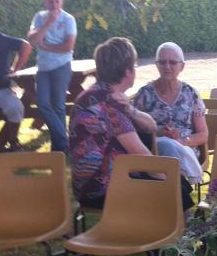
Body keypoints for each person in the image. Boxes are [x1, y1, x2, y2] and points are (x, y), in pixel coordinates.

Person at [69, 37, 163, 207]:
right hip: (104, 190)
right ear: (128, 72)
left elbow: (151, 126)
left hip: (83, 188)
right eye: (134, 66)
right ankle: (178, 232)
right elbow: (142, 155)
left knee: (172, 182)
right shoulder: (111, 103)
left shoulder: (91, 94)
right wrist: (169, 177)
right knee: (178, 189)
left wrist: (131, 110)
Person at [132, 42, 208, 183]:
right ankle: (182, 185)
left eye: (172, 62)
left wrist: (182, 141)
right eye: (162, 62)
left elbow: (203, 135)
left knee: (170, 146)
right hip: (153, 151)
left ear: (182, 66)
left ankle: (176, 186)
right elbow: (134, 132)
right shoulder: (144, 94)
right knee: (166, 144)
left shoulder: (191, 93)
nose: (167, 67)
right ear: (156, 64)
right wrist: (160, 134)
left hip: (185, 149)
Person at [27, 0, 77, 154]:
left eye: (57, 1)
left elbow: (68, 46)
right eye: (51, 1)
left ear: (61, 1)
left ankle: (59, 149)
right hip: (43, 68)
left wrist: (46, 45)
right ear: (45, 2)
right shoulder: (39, 17)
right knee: (42, 103)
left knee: (58, 106)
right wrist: (48, 23)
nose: (54, 5)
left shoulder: (68, 19)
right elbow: (33, 41)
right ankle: (64, 140)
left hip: (62, 66)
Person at [0, 29, 32, 153]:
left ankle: (13, 142)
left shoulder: (1, 39)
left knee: (16, 107)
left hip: (3, 89)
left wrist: (15, 69)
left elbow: (26, 46)